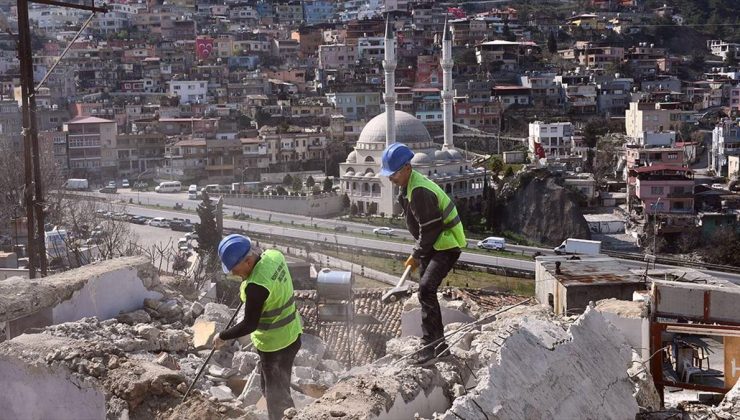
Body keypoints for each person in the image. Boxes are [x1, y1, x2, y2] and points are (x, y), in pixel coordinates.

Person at [379, 143, 467, 364]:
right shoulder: (408, 187)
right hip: (434, 244)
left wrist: (417, 254)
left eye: (394, 173)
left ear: (407, 167)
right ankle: (438, 345)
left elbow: (430, 228)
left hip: (446, 244)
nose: (391, 178)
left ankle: (432, 345)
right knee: (424, 292)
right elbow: (423, 229)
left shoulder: (419, 190)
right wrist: (419, 252)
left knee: (427, 289)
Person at [212, 234, 303, 420]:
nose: (233, 274)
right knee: (275, 387)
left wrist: (223, 336)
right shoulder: (274, 256)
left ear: (247, 261)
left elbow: (249, 324)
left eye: (234, 269)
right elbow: (268, 280)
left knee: (277, 400)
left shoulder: (256, 288)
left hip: (275, 346)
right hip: (292, 336)